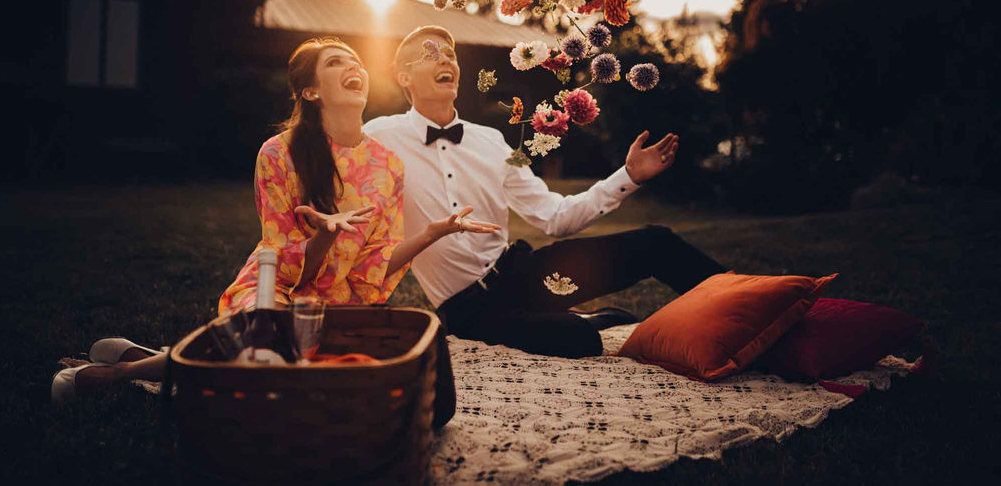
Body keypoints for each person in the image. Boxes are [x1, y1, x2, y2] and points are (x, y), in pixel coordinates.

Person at [52, 37, 499, 404]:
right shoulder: (277, 154)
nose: (354, 67)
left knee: (288, 379)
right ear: (311, 91)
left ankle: (155, 358)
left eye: (357, 61)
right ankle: (123, 373)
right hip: (275, 289)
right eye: (337, 62)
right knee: (268, 349)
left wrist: (431, 233)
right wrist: (322, 237)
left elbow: (373, 269)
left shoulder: (389, 166)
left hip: (337, 305)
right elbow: (284, 267)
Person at [362, 25, 729, 359]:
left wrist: (629, 176)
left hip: (522, 275)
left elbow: (555, 218)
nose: (445, 59)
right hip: (467, 308)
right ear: (403, 76)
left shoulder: (492, 142)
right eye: (430, 53)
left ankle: (754, 307)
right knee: (577, 339)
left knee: (656, 243)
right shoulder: (379, 137)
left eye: (450, 54)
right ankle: (586, 320)